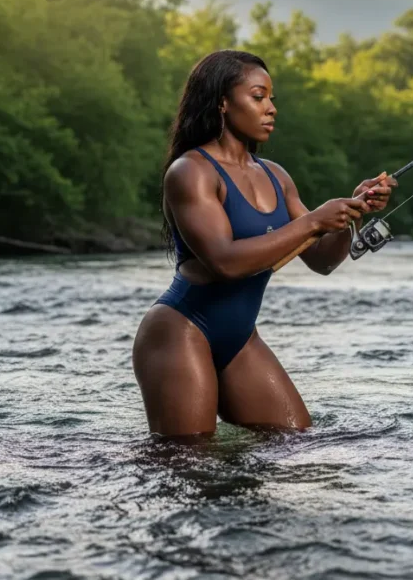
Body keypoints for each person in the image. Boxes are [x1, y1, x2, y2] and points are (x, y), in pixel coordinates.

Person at [132, 50, 397, 437]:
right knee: (189, 463)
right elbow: (225, 261)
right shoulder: (190, 171)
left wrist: (350, 213)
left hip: (239, 336)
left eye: (272, 99)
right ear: (222, 102)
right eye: (258, 97)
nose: (271, 108)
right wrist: (313, 220)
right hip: (180, 331)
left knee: (294, 438)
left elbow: (322, 260)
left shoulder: (275, 175)